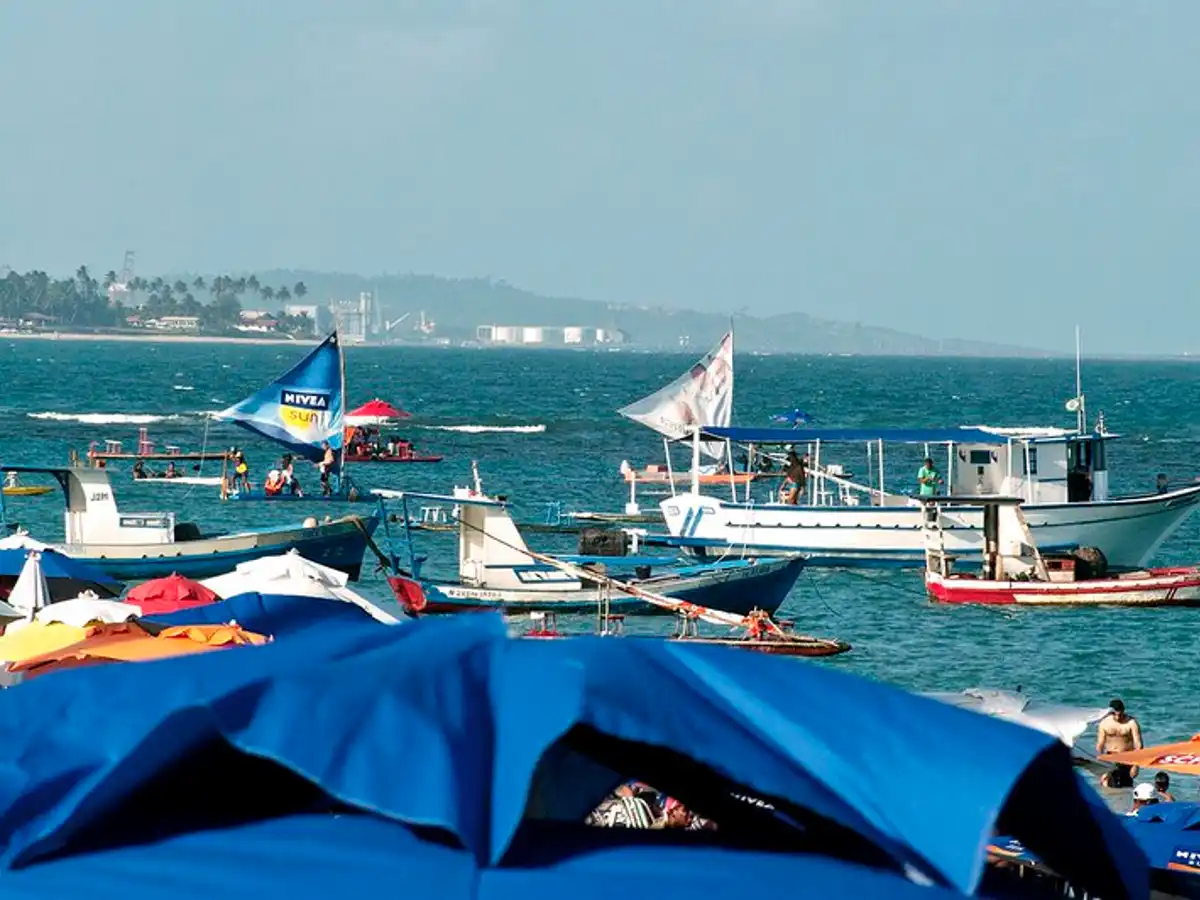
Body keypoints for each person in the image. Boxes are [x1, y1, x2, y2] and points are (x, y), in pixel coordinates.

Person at [1098, 699, 1143, 788]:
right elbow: (1100, 745)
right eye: (1115, 714)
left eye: (1120, 714)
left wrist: (1136, 766)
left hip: (1126, 759)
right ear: (1110, 713)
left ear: (1123, 710)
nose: (1118, 717)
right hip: (1110, 759)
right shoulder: (1104, 723)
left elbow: (1139, 745)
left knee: (1126, 788)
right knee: (1109, 787)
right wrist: (1102, 768)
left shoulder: (1131, 723)